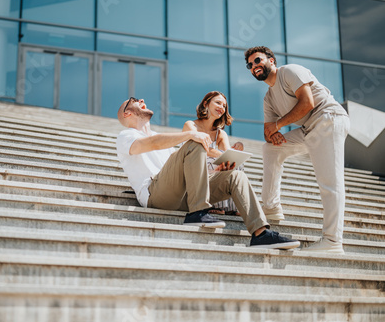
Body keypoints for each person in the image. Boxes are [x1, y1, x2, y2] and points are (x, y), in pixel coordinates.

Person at [116, 96, 300, 250]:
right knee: (195, 140)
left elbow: (187, 170)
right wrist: (191, 135)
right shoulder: (126, 136)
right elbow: (150, 144)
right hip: (155, 195)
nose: (141, 100)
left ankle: (261, 233)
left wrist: (216, 169)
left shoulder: (163, 139)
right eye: (134, 100)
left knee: (235, 176)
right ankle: (197, 213)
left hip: (182, 195)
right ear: (127, 113)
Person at [244, 46, 350, 254]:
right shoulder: (268, 98)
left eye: (257, 61)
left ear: (271, 61)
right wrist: (273, 131)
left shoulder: (289, 71)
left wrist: (278, 125)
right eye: (250, 65)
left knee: (330, 183)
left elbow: (307, 103)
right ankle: (272, 208)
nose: (254, 66)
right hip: (308, 130)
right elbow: (268, 132)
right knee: (271, 149)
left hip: (328, 119)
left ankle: (332, 241)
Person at [182, 91, 244, 216]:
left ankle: (232, 207)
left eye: (224, 106)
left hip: (212, 172)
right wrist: (221, 155)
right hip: (192, 169)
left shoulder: (220, 134)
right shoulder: (191, 125)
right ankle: (213, 204)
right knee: (213, 160)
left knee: (234, 164)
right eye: (218, 103)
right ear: (206, 103)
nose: (221, 107)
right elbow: (200, 148)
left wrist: (236, 149)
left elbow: (227, 156)